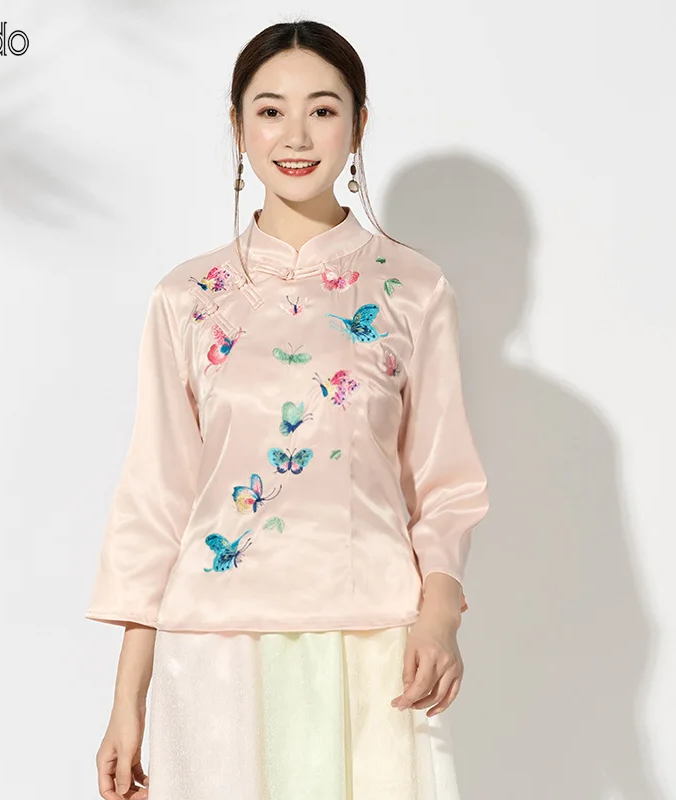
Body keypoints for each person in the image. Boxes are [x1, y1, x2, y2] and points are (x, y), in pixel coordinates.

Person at [86, 19, 489, 800]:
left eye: (323, 110)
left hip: (373, 644)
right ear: (237, 126)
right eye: (270, 111)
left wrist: (439, 618)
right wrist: (126, 699)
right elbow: (157, 499)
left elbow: (446, 484)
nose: (296, 136)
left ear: (359, 124)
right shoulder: (186, 298)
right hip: (214, 650)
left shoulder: (412, 289)